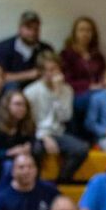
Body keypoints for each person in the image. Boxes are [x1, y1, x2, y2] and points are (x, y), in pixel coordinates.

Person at [24, 52, 89, 183]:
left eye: (54, 69)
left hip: (58, 132)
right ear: (41, 71)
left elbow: (66, 117)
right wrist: (44, 137)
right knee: (36, 150)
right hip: (37, 133)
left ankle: (61, 181)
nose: (51, 73)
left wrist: (57, 93)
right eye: (47, 70)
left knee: (81, 148)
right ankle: (35, 183)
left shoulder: (66, 90)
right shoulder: (30, 91)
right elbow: (29, 122)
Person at [0, 89, 41, 191]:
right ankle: (2, 195)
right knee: (9, 165)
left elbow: (32, 142)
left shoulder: (27, 124)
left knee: (34, 158)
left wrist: (28, 147)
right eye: (17, 104)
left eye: (24, 105)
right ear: (7, 106)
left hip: (22, 158)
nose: (22, 108)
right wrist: (10, 152)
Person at [59, 16, 106, 131]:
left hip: (98, 91)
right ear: (74, 33)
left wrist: (104, 83)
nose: (85, 34)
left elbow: (104, 74)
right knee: (95, 98)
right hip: (75, 93)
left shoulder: (97, 55)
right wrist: (89, 86)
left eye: (88, 30)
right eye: (81, 30)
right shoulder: (66, 54)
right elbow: (66, 81)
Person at [0, 11, 54, 88]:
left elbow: (54, 71)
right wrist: (28, 75)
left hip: (39, 89)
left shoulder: (46, 49)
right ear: (19, 28)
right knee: (11, 85)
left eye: (36, 29)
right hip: (11, 91)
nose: (32, 33)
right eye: (28, 28)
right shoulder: (3, 47)